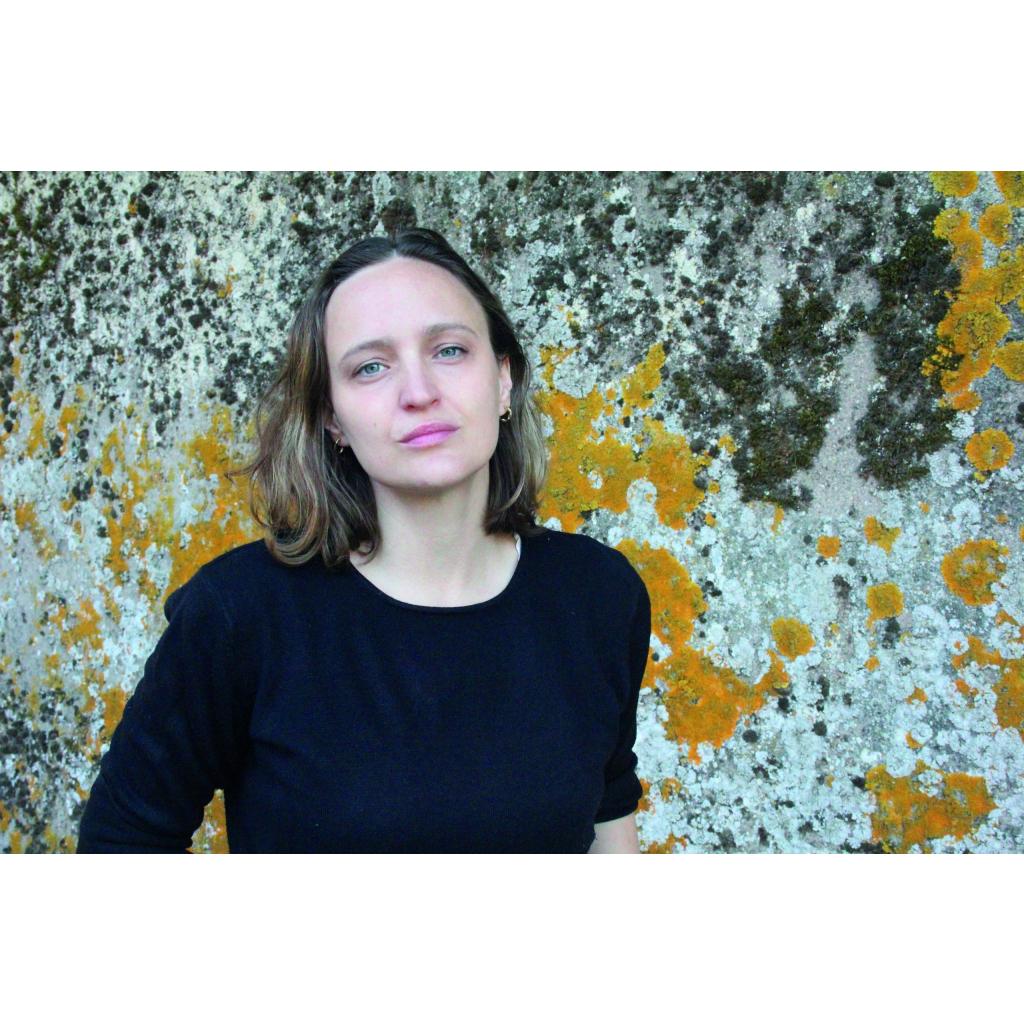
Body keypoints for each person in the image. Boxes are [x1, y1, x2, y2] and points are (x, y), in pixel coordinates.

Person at [77, 227, 651, 853]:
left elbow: (609, 823)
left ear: (503, 379)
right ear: (332, 417)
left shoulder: (597, 595)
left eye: (450, 350)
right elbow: (121, 844)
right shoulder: (241, 614)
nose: (419, 393)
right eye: (370, 367)